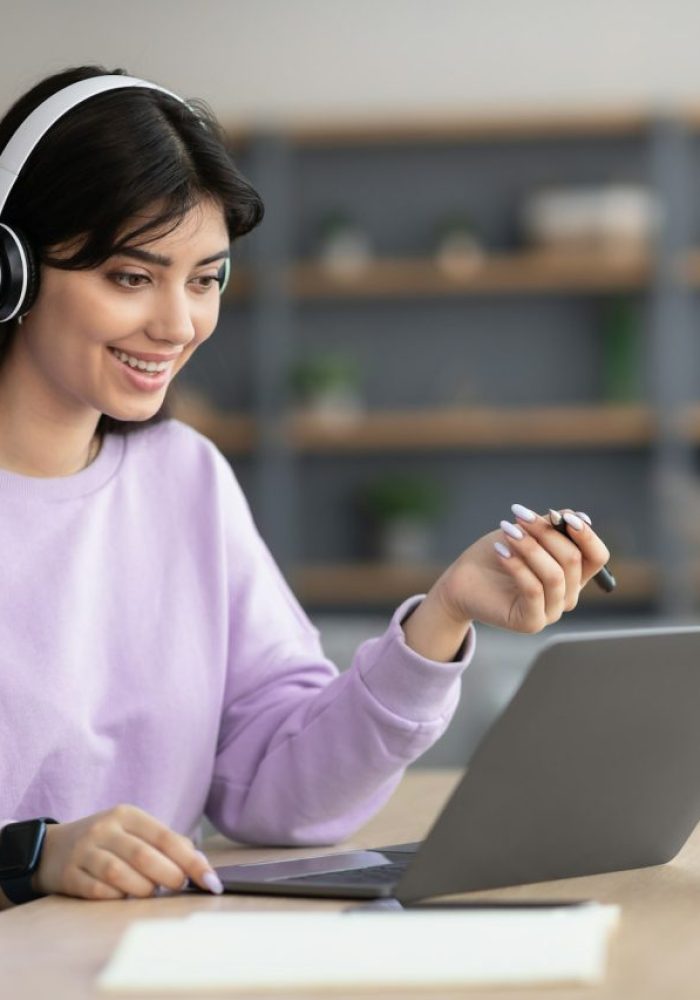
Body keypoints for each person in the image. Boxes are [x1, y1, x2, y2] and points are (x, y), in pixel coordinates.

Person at [0, 65, 610, 908]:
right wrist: (27, 856)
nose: (178, 324)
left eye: (206, 279)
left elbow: (284, 794)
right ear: (11, 272)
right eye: (131, 277)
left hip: (157, 963)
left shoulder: (185, 479)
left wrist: (446, 614)